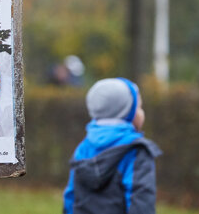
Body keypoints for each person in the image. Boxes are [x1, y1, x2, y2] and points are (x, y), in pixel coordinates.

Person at [63, 78, 162, 214]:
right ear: (128, 113)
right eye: (138, 107)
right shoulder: (136, 152)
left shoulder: (83, 148)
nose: (141, 112)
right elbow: (141, 203)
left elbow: (70, 197)